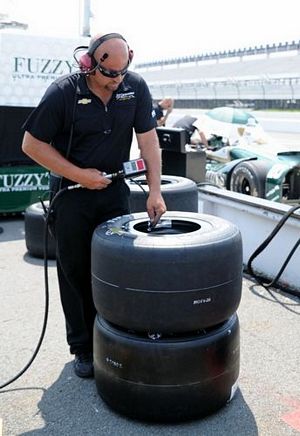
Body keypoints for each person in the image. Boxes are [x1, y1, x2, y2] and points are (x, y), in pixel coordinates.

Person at [21, 32, 166, 378]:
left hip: (114, 195)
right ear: (88, 64)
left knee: (117, 270)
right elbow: (31, 144)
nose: (117, 81)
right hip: (70, 197)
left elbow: (148, 141)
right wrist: (79, 175)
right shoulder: (63, 92)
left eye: (122, 72)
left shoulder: (135, 87)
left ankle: (116, 338)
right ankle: (83, 348)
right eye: (109, 74)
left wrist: (155, 191)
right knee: (75, 274)